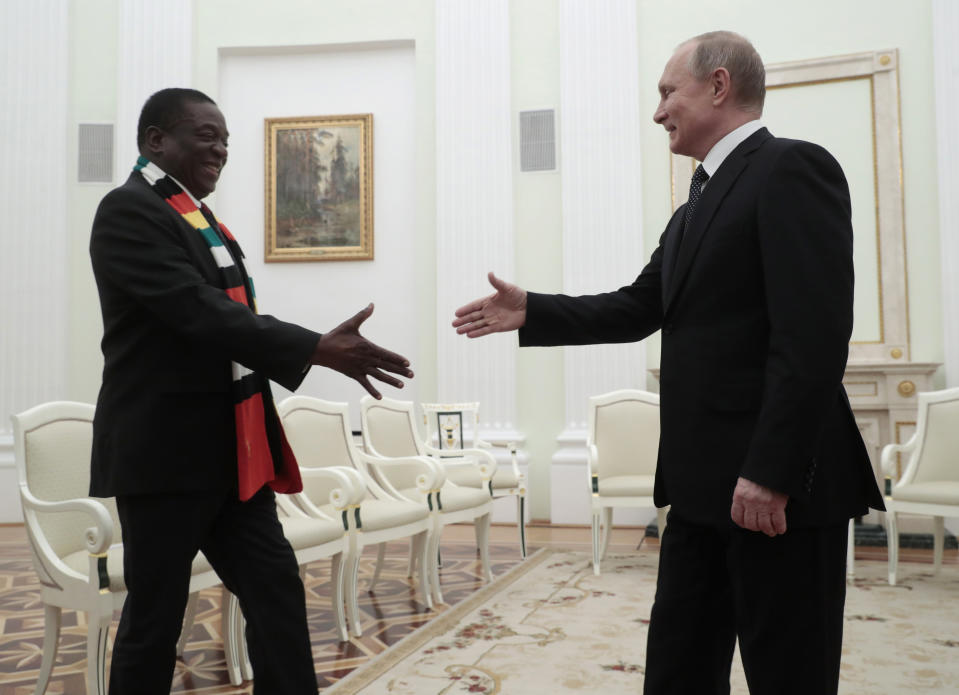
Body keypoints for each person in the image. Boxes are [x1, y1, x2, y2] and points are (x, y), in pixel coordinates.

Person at [453, 31, 884, 695]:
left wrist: (769, 472)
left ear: (717, 85)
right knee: (676, 671)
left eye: (665, 92)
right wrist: (532, 311)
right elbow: (636, 306)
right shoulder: (694, 207)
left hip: (776, 494)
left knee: (787, 676)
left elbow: (813, 337)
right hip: (698, 489)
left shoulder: (793, 169)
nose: (657, 112)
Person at [89, 87, 413, 694]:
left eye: (226, 140)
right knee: (156, 620)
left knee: (276, 592)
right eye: (205, 135)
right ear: (156, 139)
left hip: (232, 454)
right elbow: (198, 311)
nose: (221, 149)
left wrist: (313, 347)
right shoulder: (128, 211)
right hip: (164, 458)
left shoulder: (197, 216)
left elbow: (217, 318)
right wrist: (316, 347)